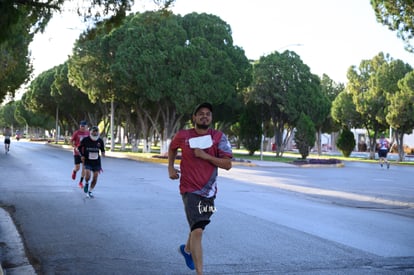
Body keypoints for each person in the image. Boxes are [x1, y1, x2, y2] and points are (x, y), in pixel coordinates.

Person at [168, 103, 233, 275]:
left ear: (211, 118)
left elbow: (228, 164)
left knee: (199, 226)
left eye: (208, 114)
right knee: (197, 231)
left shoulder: (219, 137)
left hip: (209, 192)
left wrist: (205, 156)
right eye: (201, 114)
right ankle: (200, 273)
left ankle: (187, 250)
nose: (205, 116)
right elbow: (172, 148)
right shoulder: (183, 135)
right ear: (194, 118)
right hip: (189, 190)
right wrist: (170, 168)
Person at [78, 126, 105, 198]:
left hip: (96, 162)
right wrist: (82, 155)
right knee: (88, 175)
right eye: (93, 131)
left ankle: (90, 191)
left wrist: (103, 153)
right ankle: (86, 183)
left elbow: (102, 149)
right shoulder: (85, 140)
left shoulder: (100, 141)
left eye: (96, 131)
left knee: (95, 177)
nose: (95, 132)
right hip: (87, 160)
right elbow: (79, 147)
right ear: (90, 132)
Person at [70, 121, 90, 188]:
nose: (82, 128)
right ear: (80, 126)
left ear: (86, 127)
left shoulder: (88, 133)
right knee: (77, 167)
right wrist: (75, 147)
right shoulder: (76, 133)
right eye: (81, 126)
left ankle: (80, 182)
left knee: (84, 168)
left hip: (85, 153)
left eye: (84, 126)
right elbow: (71, 141)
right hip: (77, 152)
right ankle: (74, 171)